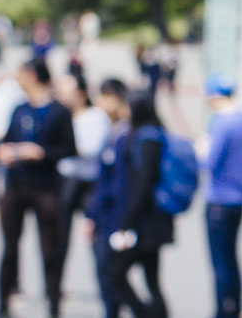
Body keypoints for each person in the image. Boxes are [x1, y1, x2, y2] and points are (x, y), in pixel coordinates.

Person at [0, 57, 76, 317]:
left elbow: (69, 148)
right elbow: (6, 140)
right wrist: (6, 151)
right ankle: (3, 302)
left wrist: (41, 153)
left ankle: (53, 303)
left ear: (32, 75)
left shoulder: (59, 111)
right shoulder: (19, 109)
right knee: (9, 247)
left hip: (46, 186)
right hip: (17, 185)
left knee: (50, 247)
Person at [105, 90, 174, 317]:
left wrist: (126, 223)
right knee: (152, 280)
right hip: (151, 220)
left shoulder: (147, 138)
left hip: (146, 222)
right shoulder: (153, 133)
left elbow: (142, 186)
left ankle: (144, 314)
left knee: (114, 272)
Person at [203, 74, 242, 318]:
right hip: (239, 199)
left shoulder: (220, 123)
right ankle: (236, 306)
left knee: (220, 262)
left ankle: (222, 311)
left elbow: (208, 162)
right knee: (233, 257)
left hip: (218, 199)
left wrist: (200, 150)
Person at [55, 72, 111, 283]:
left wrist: (61, 149)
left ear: (79, 94)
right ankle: (55, 289)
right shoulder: (59, 116)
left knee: (96, 238)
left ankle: (106, 287)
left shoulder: (96, 117)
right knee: (58, 239)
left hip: (90, 182)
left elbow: (90, 148)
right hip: (65, 180)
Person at [86, 78, 132, 318]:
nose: (100, 104)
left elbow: (119, 186)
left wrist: (120, 224)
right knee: (109, 278)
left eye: (104, 97)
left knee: (112, 277)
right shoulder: (113, 132)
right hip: (105, 217)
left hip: (114, 219)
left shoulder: (125, 136)